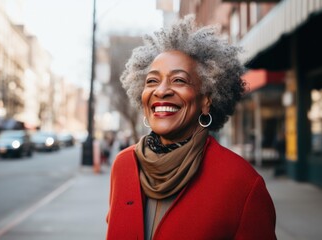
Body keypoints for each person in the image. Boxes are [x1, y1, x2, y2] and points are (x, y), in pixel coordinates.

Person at [106, 15, 276, 240]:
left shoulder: (242, 183)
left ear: (206, 100)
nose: (161, 91)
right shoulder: (123, 165)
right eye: (152, 81)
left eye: (179, 80)